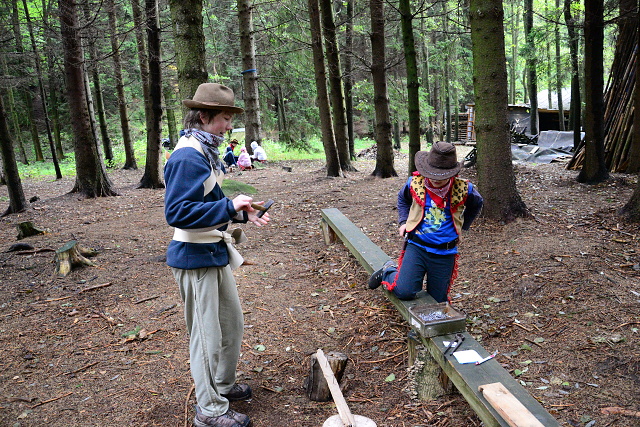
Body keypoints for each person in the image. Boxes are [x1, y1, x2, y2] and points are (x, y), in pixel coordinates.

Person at [164, 83, 270, 427]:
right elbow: (177, 212)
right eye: (224, 118)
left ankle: (221, 385)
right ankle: (209, 409)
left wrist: (240, 213)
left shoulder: (204, 151)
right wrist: (229, 206)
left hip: (213, 251)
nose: (229, 126)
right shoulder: (187, 156)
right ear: (204, 116)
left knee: (230, 325)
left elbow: (206, 202)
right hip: (194, 257)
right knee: (207, 336)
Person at [368, 141, 483, 303]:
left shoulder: (463, 189)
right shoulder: (415, 183)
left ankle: (426, 318)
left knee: (437, 301)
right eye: (432, 174)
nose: (435, 179)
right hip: (417, 247)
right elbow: (402, 199)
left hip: (445, 253)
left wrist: (462, 226)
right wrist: (403, 222)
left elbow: (477, 203)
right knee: (405, 291)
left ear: (451, 173)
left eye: (440, 176)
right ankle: (388, 270)